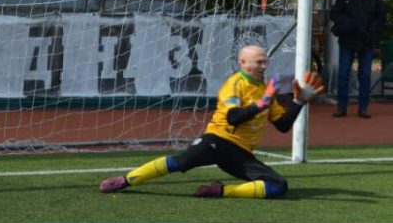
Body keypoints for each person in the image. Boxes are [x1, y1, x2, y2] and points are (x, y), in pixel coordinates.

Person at [99, 45, 325, 199]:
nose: (264, 67)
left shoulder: (264, 90)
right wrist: (262, 103)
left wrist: (299, 101)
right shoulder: (234, 84)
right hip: (217, 141)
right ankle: (126, 180)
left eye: (265, 62)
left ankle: (221, 190)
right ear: (242, 62)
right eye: (259, 62)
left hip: (241, 153)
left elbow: (283, 125)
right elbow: (233, 118)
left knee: (279, 186)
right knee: (180, 162)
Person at [329, 0, 385, 118]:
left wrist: (372, 31)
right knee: (344, 73)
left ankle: (363, 107)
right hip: (348, 39)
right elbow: (334, 13)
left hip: (366, 41)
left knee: (365, 74)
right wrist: (348, 24)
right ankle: (341, 107)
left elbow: (381, 17)